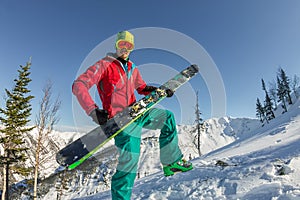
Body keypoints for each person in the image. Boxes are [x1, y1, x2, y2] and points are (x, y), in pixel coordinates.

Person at [72, 30, 193, 200]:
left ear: (132, 48)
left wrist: (152, 90)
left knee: (168, 118)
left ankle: (171, 163)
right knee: (129, 165)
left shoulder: (132, 67)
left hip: (137, 111)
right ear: (116, 45)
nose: (125, 48)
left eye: (129, 45)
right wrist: (92, 110)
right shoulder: (103, 65)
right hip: (120, 121)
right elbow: (79, 85)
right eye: (122, 44)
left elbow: (141, 87)